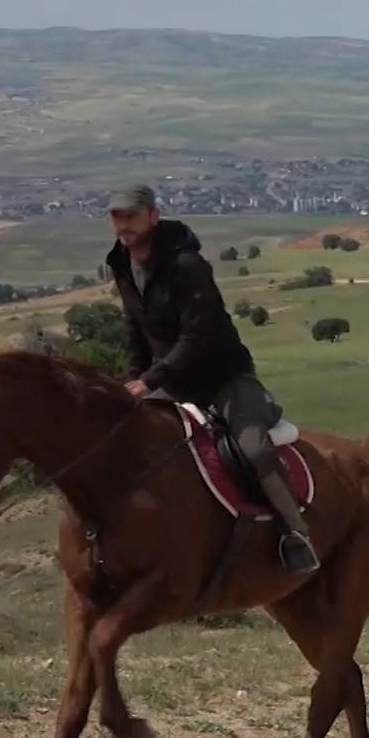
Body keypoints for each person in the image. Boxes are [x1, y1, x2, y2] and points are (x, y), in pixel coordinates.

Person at [101, 184, 320, 574]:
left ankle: (297, 532)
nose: (124, 225)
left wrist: (150, 380)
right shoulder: (121, 263)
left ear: (153, 215)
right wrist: (131, 379)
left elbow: (197, 336)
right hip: (170, 382)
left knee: (253, 448)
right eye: (117, 217)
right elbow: (136, 327)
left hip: (222, 377)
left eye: (132, 216)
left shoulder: (187, 265)